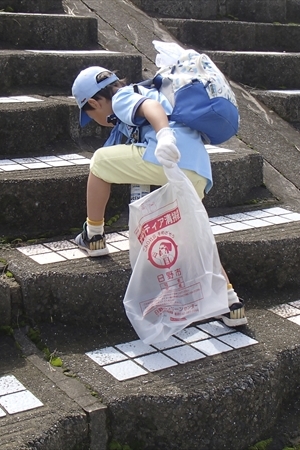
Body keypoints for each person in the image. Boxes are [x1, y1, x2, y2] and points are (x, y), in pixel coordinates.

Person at [71, 65, 247, 327]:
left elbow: (151, 110)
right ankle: (230, 302)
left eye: (93, 115)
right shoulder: (130, 113)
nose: (98, 121)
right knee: (193, 234)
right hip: (198, 171)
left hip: (167, 157)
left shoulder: (122, 97)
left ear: (96, 102)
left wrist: (164, 136)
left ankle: (93, 234)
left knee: (98, 163)